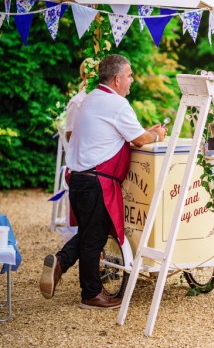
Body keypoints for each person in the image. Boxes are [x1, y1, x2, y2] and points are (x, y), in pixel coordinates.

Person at [39, 54, 167, 308]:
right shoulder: (117, 104)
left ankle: (61, 262)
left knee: (90, 232)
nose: (132, 80)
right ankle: (91, 294)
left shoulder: (92, 99)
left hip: (79, 179)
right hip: (97, 180)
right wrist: (158, 135)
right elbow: (139, 140)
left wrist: (147, 133)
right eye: (129, 76)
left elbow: (132, 134)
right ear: (118, 79)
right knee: (94, 239)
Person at [65, 58, 94, 141]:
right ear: (83, 76)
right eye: (91, 73)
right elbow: (70, 135)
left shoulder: (106, 99)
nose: (95, 76)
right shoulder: (77, 102)